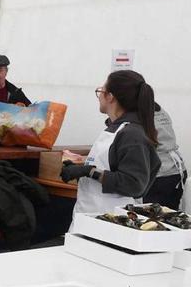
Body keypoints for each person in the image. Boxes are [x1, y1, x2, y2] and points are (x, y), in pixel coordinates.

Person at [61, 70, 161, 215]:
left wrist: (90, 172)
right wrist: (82, 168)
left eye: (101, 91)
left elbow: (134, 184)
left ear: (110, 97)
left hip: (112, 222)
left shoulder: (132, 135)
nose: (99, 96)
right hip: (90, 215)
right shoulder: (115, 129)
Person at [143, 103, 186, 209]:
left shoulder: (139, 114)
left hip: (159, 174)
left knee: (152, 219)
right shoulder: (159, 110)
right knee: (169, 215)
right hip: (176, 170)